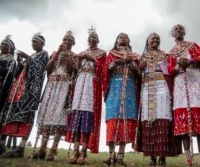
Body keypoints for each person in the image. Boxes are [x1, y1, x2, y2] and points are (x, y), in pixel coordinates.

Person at [167, 24, 200, 166]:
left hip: (196, 83)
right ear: (172, 34)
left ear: (184, 32)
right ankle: (188, 160)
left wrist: (190, 61)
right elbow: (170, 70)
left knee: (199, 120)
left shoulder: (193, 45)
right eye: (175, 30)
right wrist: (177, 66)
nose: (178, 32)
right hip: (181, 85)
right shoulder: (171, 52)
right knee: (183, 126)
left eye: (181, 29)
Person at [0, 33, 49, 158]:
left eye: (35, 42)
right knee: (12, 113)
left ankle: (21, 146)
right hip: (22, 89)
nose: (33, 44)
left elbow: (39, 69)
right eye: (32, 42)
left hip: (32, 91)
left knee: (28, 115)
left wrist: (27, 58)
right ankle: (2, 142)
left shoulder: (44, 54)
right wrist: (21, 64)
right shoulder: (33, 55)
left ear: (42, 44)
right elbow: (26, 70)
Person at [138, 32, 182, 166]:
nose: (155, 40)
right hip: (147, 85)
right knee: (148, 118)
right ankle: (152, 157)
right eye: (152, 38)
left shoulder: (165, 54)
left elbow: (170, 69)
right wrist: (141, 64)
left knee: (163, 116)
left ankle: (162, 156)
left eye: (157, 38)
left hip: (162, 84)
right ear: (148, 41)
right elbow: (139, 71)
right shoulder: (143, 55)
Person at [33, 31, 76, 161]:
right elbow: (47, 68)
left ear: (73, 43)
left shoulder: (74, 55)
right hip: (52, 85)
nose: (66, 41)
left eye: (69, 40)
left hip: (64, 86)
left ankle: (53, 149)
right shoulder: (54, 53)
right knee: (47, 114)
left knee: (59, 116)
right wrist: (57, 53)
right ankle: (42, 148)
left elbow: (70, 70)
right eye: (65, 39)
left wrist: (66, 55)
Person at [65, 28, 106, 165]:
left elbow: (102, 71)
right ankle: (75, 151)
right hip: (80, 83)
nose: (92, 39)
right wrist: (80, 59)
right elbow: (76, 70)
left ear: (98, 40)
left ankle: (83, 152)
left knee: (87, 119)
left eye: (95, 37)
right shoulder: (81, 53)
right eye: (90, 37)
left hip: (91, 85)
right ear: (88, 40)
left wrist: (92, 61)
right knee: (76, 118)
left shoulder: (102, 53)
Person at [102, 32, 140, 166]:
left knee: (126, 120)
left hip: (129, 87)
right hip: (114, 87)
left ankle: (120, 157)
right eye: (120, 37)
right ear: (116, 41)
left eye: (125, 37)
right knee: (113, 119)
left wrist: (132, 65)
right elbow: (106, 69)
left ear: (129, 41)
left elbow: (139, 73)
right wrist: (117, 61)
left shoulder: (134, 56)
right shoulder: (111, 54)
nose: (123, 38)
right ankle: (110, 155)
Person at [0, 35, 16, 155]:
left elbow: (10, 76)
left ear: (11, 48)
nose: (3, 45)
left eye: (6, 44)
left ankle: (1, 144)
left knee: (1, 115)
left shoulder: (12, 60)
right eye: (1, 43)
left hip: (2, 91)